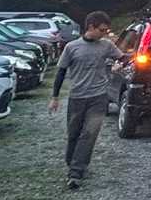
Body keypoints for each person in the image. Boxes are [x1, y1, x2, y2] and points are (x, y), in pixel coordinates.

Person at [48, 11, 122, 189]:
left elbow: (122, 58)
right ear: (91, 27)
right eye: (102, 30)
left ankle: (76, 172)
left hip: (99, 97)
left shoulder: (106, 45)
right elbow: (61, 72)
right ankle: (72, 162)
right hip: (77, 97)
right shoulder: (72, 47)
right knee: (74, 134)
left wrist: (121, 64)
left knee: (89, 134)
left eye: (106, 31)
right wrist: (55, 97)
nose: (105, 34)